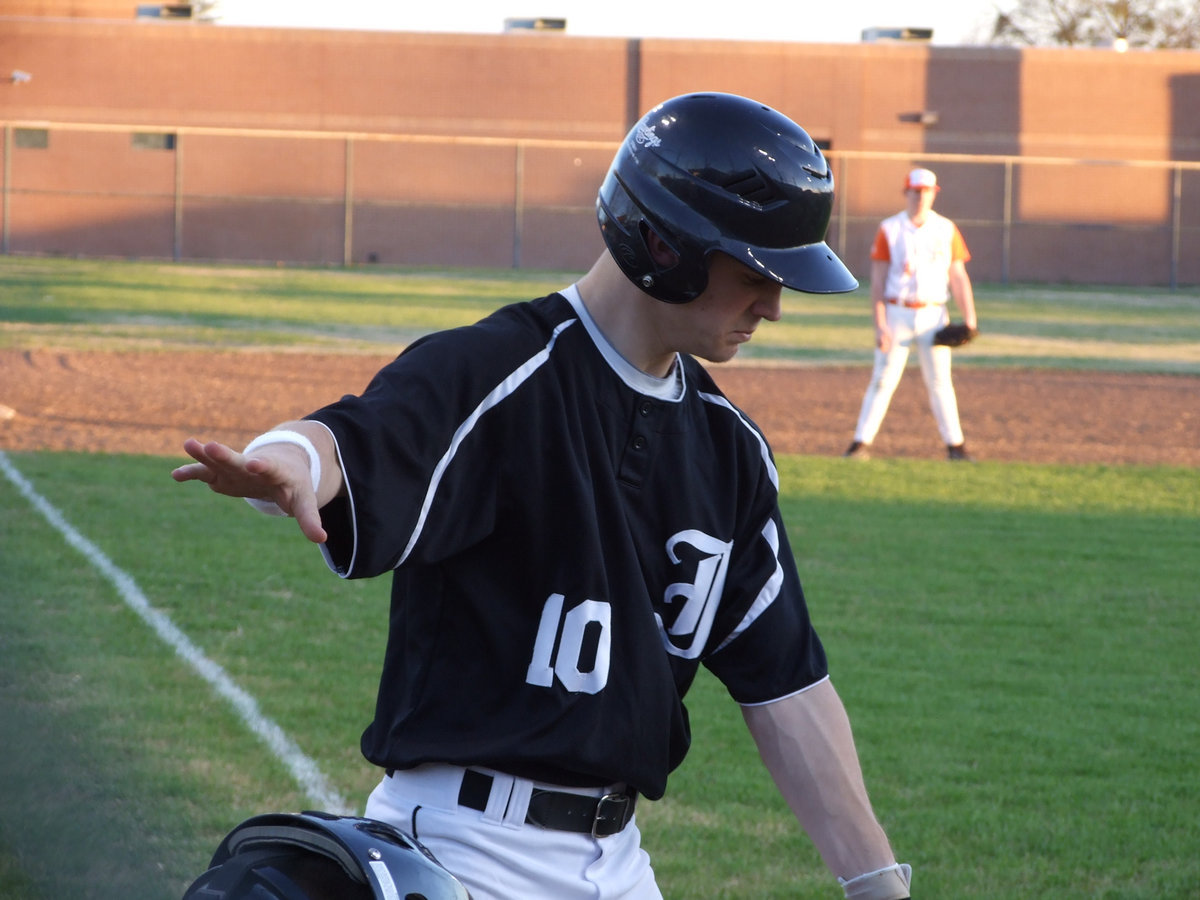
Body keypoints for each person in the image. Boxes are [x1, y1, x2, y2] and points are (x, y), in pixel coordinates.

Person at [172, 92, 913, 900]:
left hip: (620, 863)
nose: (773, 306)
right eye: (753, 276)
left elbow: (786, 686)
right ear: (665, 246)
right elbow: (353, 438)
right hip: (463, 852)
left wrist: (877, 881)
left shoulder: (729, 449)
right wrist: (283, 463)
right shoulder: (499, 372)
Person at [844, 167, 978, 461]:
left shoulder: (946, 229)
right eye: (916, 191)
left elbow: (958, 276)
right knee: (883, 379)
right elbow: (877, 282)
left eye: (926, 191)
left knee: (941, 381)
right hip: (897, 313)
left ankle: (955, 446)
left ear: (933, 194)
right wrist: (880, 325)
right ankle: (860, 443)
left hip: (933, 314)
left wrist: (970, 319)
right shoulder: (889, 229)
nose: (921, 197)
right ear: (906, 193)